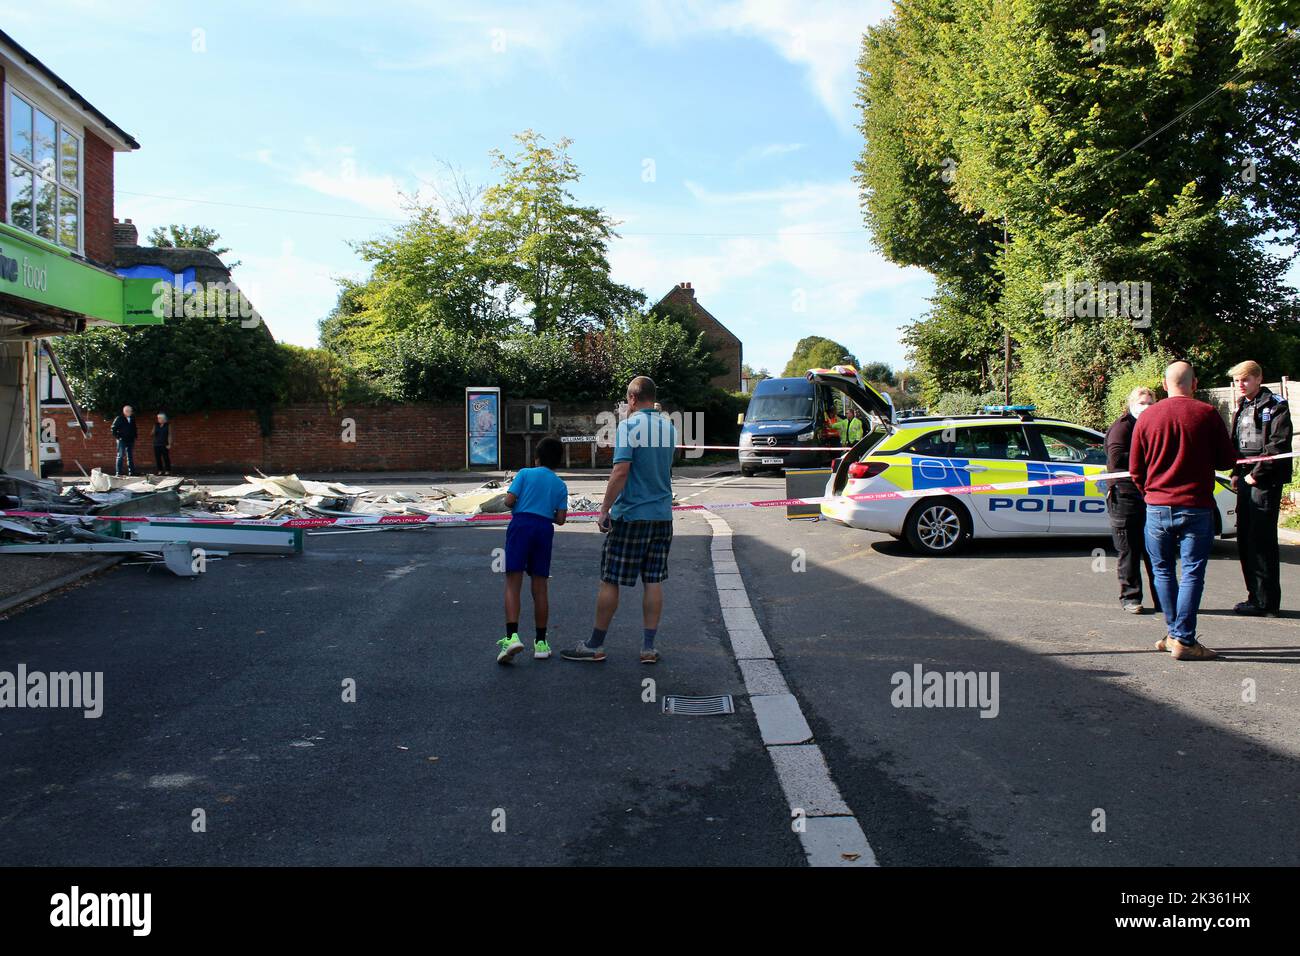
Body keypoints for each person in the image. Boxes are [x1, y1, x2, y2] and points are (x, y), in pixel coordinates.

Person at [563, 376, 677, 664]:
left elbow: (621, 472)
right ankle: (648, 648)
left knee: (610, 579)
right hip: (662, 516)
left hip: (632, 515)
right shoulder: (669, 427)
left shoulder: (628, 426)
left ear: (633, 399)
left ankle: (595, 645)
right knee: (653, 580)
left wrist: (604, 510)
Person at [1129, 362, 1237, 661]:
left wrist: (1151, 493)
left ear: (1164, 385)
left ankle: (1173, 633)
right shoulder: (1206, 414)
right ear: (1195, 384)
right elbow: (1226, 461)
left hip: (1157, 506)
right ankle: (1184, 639)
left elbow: (1136, 468)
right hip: (1196, 506)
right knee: (1191, 572)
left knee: (1162, 571)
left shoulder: (1147, 417)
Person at [497, 436, 568, 664]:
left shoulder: (525, 473)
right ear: (558, 461)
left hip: (521, 526)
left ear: (536, 457)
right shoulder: (560, 484)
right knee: (540, 586)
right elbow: (561, 518)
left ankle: (512, 637)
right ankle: (541, 642)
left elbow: (509, 501)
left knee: (513, 581)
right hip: (543, 529)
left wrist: (516, 503)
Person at [1229, 360, 1292, 617]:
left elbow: (1278, 445)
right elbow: (1236, 443)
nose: (1240, 385)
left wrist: (1256, 475)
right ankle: (1254, 596)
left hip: (1264, 481)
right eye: (1237, 381)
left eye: (1245, 379)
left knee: (1261, 541)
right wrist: (1235, 473)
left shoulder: (1276, 405)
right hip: (1245, 477)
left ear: (1258, 378)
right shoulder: (1242, 406)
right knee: (1245, 539)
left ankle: (1267, 602)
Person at [1104, 386, 1159, 613]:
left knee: (1155, 551)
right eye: (1141, 403)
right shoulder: (1122, 427)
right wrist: (1148, 454)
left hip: (1150, 494)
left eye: (1150, 403)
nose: (1146, 408)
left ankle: (1163, 600)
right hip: (1125, 496)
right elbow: (1116, 458)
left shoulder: (1154, 424)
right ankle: (1131, 598)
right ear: (1131, 404)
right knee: (1129, 551)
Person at [110, 405, 137, 477]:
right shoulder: (119, 418)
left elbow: (134, 428)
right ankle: (118, 473)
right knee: (120, 456)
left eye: (130, 411)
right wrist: (118, 437)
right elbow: (113, 429)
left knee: (130, 456)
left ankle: (132, 472)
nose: (130, 412)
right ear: (124, 411)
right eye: (128, 411)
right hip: (122, 440)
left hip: (130, 439)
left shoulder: (132, 418)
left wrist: (134, 436)